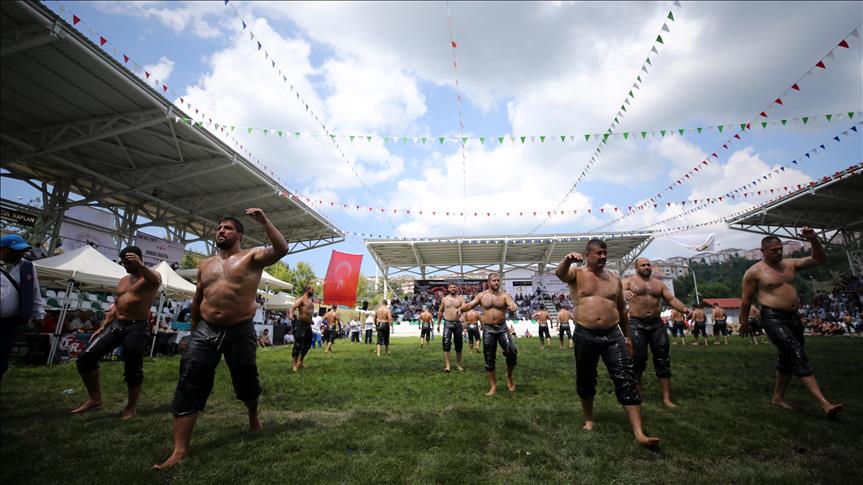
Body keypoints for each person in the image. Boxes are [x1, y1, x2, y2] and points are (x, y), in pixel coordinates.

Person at [154, 208, 288, 470]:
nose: (221, 231)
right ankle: (180, 450)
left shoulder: (251, 257)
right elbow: (197, 299)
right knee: (189, 379)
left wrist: (264, 220)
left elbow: (281, 249)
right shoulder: (205, 265)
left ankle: (252, 416)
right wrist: (194, 331)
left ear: (239, 234)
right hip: (205, 329)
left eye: (227, 228)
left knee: (246, 379)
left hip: (240, 330)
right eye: (219, 228)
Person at [556, 239, 659, 447]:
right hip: (585, 333)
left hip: (613, 334)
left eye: (605, 253)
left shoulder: (614, 278)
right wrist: (567, 259)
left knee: (626, 377)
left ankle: (639, 433)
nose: (603, 256)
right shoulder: (577, 274)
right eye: (598, 253)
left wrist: (627, 336)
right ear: (588, 255)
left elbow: (621, 310)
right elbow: (560, 274)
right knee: (586, 377)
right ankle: (589, 419)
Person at [740, 229, 842, 417]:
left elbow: (818, 259)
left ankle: (778, 398)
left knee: (788, 357)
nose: (778, 253)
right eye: (773, 250)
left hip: (793, 316)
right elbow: (746, 300)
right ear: (763, 251)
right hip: (772, 317)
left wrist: (814, 240)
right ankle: (824, 403)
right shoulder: (754, 272)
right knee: (796, 353)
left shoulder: (789, 264)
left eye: (780, 249)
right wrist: (743, 322)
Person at [71, 246, 161, 419]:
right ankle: (95, 398)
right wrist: (104, 326)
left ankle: (131, 407)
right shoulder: (123, 280)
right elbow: (117, 304)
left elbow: (156, 283)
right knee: (85, 357)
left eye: (129, 262)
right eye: (123, 263)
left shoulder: (151, 276)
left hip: (137, 327)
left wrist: (141, 265)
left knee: (133, 367)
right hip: (117, 325)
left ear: (139, 259)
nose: (126, 266)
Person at [622, 258, 690, 408]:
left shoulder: (658, 284)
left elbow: (671, 299)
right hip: (637, 323)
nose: (646, 267)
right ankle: (638, 391)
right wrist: (623, 291)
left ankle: (666, 398)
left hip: (656, 324)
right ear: (636, 268)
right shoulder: (628, 281)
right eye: (643, 265)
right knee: (638, 359)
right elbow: (614, 292)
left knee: (662, 360)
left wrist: (684, 309)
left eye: (648, 265)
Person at [459, 273, 518, 395]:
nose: (497, 282)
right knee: (489, 358)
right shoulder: (482, 295)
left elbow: (511, 302)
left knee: (512, 352)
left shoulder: (504, 295)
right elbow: (470, 305)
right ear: (488, 282)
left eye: (498, 280)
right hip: (488, 330)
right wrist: (461, 309)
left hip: (502, 329)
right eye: (494, 280)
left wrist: (513, 305)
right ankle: (493, 386)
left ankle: (509, 377)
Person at [0, 234, 46, 381]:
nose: (20, 254)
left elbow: (34, 291)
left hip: (9, 322)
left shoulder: (27, 266)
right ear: (2, 250)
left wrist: (39, 314)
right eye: (15, 251)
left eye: (22, 251)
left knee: (2, 359)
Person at [436, 284, 465, 372]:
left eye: (454, 287)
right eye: (451, 287)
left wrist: (463, 317)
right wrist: (438, 323)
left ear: (457, 288)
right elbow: (440, 311)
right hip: (448, 323)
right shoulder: (444, 299)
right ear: (448, 289)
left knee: (458, 344)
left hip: (458, 323)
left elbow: (465, 309)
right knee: (446, 343)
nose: (452, 289)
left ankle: (458, 365)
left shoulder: (461, 299)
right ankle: (447, 366)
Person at [289, 285, 315, 372]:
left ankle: (300, 362)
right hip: (300, 324)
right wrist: (291, 315)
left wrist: (310, 320)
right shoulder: (301, 299)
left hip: (308, 325)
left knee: (308, 344)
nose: (313, 291)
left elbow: (308, 313)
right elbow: (292, 308)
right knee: (298, 344)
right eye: (312, 290)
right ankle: (294, 365)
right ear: (307, 290)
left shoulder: (310, 301)